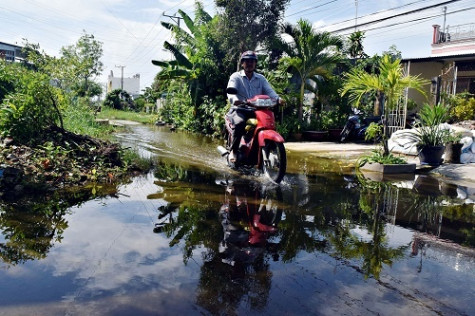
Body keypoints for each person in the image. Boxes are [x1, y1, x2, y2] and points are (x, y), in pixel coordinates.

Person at [226, 51, 284, 164]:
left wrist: (278, 99)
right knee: (239, 123)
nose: (249, 63)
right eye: (247, 61)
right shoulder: (236, 77)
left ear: (255, 63)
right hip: (240, 109)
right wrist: (235, 100)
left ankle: (270, 149)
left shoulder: (261, 78)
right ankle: (233, 150)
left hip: (257, 110)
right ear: (242, 63)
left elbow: (269, 91)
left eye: (252, 61)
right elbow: (231, 92)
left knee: (269, 122)